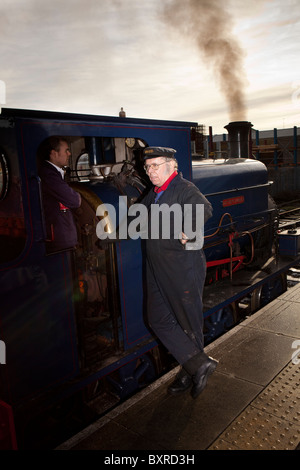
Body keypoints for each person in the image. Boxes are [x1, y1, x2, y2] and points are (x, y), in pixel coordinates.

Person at [141, 146, 218, 399]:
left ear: (171, 165)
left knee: (188, 323)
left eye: (156, 165)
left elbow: (204, 207)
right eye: (147, 166)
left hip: (182, 267)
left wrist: (190, 227)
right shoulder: (154, 194)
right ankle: (197, 364)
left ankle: (189, 370)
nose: (150, 171)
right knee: (158, 319)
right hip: (157, 268)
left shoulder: (183, 188)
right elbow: (136, 217)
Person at [38, 136, 81, 253]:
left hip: (61, 238)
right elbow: (74, 200)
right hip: (59, 240)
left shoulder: (53, 173)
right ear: (54, 153)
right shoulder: (49, 175)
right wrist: (77, 195)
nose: (69, 153)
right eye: (66, 150)